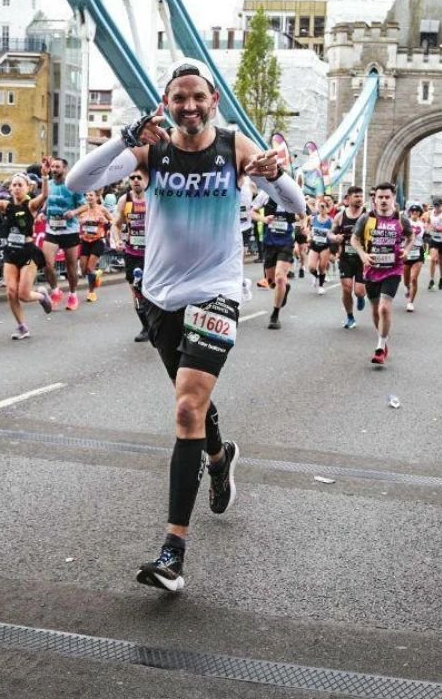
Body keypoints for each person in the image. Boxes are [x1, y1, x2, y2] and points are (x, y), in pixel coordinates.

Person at [66, 58, 306, 592]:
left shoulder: (234, 146)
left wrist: (276, 175)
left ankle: (172, 552)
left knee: (186, 406)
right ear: (167, 103)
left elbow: (296, 204)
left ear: (213, 100)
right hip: (159, 297)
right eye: (179, 98)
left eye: (198, 97)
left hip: (216, 293)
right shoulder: (151, 148)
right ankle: (219, 459)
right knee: (191, 402)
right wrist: (125, 136)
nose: (190, 106)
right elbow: (75, 181)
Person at [0, 163, 53, 338]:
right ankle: (22, 327)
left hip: (29, 253)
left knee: (23, 294)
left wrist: (45, 177)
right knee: (10, 291)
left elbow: (45, 195)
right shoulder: (5, 205)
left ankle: (42, 296)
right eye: (13, 185)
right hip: (11, 252)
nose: (16, 188)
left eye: (19, 185)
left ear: (27, 187)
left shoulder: (30, 205)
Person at [351, 182, 414, 365]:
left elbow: (411, 236)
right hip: (371, 269)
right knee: (376, 310)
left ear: (393, 198)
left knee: (384, 308)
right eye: (380, 197)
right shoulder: (366, 218)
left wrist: (407, 249)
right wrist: (362, 254)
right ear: (375, 199)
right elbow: (355, 239)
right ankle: (382, 339)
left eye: (387, 197)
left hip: (393, 269)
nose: (384, 200)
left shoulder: (401, 219)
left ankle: (380, 346)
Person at [252, 188, 302, 329]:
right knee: (272, 282)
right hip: (269, 243)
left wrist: (301, 226)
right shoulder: (265, 194)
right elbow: (251, 211)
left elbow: (304, 215)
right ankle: (284, 287)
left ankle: (275, 315)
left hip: (286, 243)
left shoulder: (292, 193)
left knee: (280, 277)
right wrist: (263, 219)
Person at [42, 157, 86, 311]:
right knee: (47, 264)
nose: (54, 169)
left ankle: (73, 295)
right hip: (52, 229)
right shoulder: (49, 184)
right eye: (53, 167)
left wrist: (73, 212)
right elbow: (46, 201)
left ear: (65, 169)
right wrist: (42, 213)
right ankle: (55, 291)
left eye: (57, 167)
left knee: (71, 267)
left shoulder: (73, 186)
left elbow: (85, 205)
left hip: (69, 230)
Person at [111, 169, 150, 341]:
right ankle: (146, 327)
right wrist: (117, 240)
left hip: (153, 253)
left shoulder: (152, 198)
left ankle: (159, 323)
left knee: (153, 289)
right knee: (136, 290)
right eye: (132, 177)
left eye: (139, 177)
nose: (135, 180)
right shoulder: (125, 200)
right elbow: (116, 224)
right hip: (132, 252)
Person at [331, 185, 366, 329]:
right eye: (356, 196)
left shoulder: (367, 215)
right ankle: (350, 316)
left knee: (358, 291)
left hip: (362, 258)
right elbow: (330, 232)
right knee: (346, 289)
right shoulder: (340, 215)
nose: (359, 199)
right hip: (346, 257)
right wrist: (335, 237)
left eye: (360, 196)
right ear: (348, 198)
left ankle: (361, 297)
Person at [78, 190, 113, 303]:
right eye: (87, 195)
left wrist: (106, 222)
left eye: (91, 195)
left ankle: (91, 293)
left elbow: (113, 221)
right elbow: (76, 220)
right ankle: (96, 276)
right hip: (84, 241)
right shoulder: (82, 209)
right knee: (83, 270)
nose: (88, 197)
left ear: (97, 197)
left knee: (89, 268)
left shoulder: (102, 209)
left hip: (98, 241)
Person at [403, 203, 426, 312]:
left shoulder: (422, 225)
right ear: (410, 213)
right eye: (413, 211)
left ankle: (410, 302)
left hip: (418, 252)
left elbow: (425, 238)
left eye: (417, 212)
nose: (415, 213)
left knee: (414, 278)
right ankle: (408, 288)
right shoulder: (405, 222)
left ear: (420, 213)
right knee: (406, 280)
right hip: (406, 252)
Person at [308, 199, 333, 295]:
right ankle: (316, 276)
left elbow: (333, 232)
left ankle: (321, 286)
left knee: (322, 267)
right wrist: (309, 236)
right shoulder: (313, 219)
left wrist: (332, 236)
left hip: (325, 246)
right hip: (314, 245)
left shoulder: (330, 221)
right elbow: (309, 230)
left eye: (324, 206)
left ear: (327, 208)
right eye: (320, 206)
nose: (322, 209)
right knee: (311, 267)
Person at [426, 197, 442, 290]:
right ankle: (432, 280)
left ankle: (441, 277)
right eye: (435, 205)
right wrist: (428, 229)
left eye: (438, 205)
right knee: (432, 259)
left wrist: (440, 229)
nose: (436, 207)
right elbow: (427, 223)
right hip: (434, 239)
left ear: (441, 205)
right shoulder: (431, 213)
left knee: (440, 261)